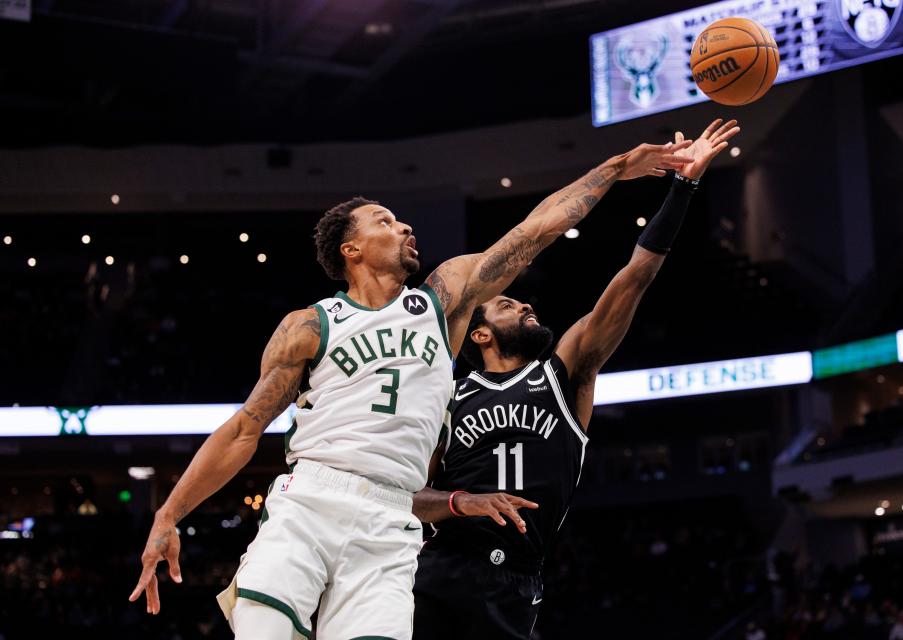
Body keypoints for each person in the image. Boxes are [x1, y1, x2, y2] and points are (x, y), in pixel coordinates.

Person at [126, 137, 695, 640]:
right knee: (264, 628)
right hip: (313, 499)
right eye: (384, 221)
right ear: (351, 250)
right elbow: (244, 430)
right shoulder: (309, 325)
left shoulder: (441, 302)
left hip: (393, 521)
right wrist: (168, 515)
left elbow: (534, 232)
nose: (403, 227)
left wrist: (619, 168)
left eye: (401, 220)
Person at [411, 119, 739, 640]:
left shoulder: (566, 373)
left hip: (514, 580)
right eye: (506, 304)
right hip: (436, 571)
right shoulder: (447, 396)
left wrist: (683, 188)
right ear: (478, 336)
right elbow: (410, 496)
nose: (525, 303)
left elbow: (634, 276)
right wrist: (459, 503)